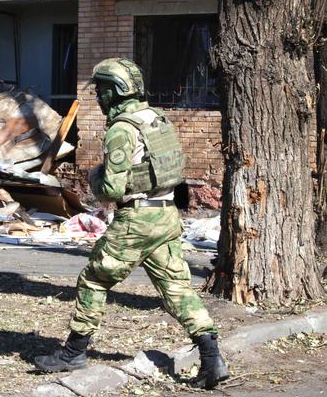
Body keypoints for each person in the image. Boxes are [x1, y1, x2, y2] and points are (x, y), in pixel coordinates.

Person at [34, 58, 229, 390]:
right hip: (166, 215)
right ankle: (212, 357)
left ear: (116, 91)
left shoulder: (122, 129)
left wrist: (94, 176)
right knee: (177, 288)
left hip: (137, 219)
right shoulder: (156, 118)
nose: (98, 96)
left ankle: (73, 352)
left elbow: (111, 190)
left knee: (94, 279)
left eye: (101, 90)